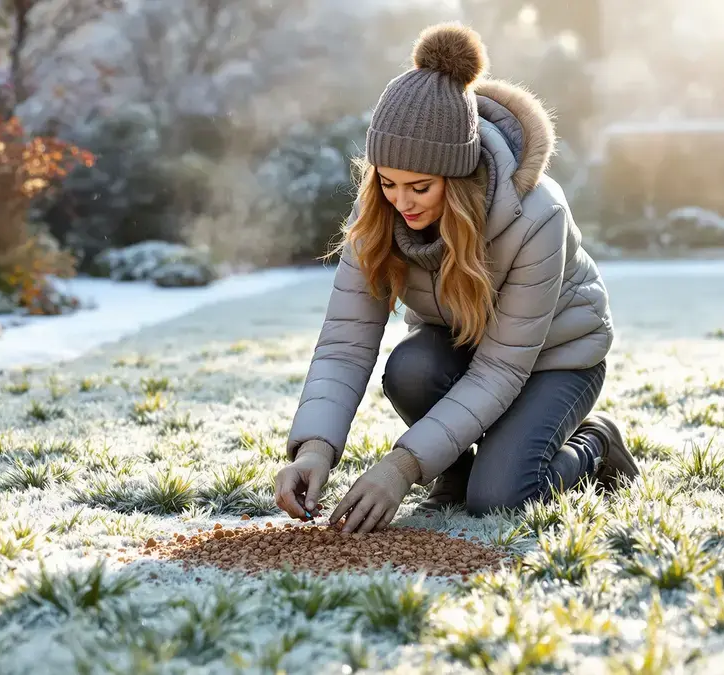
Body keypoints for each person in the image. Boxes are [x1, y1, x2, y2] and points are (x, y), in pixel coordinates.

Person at [273, 22, 638, 534]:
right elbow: (344, 345)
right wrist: (314, 450)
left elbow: (502, 371)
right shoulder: (380, 210)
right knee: (411, 368)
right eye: (389, 182)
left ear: (459, 175)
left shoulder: (537, 217)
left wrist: (401, 467)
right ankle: (464, 467)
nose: (401, 202)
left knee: (500, 497)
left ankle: (595, 442)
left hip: (553, 360)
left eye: (420, 186)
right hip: (462, 349)